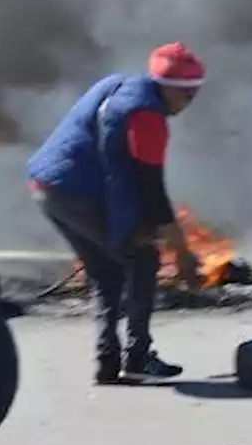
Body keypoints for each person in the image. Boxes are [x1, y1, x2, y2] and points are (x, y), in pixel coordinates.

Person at [27, 42, 206, 385]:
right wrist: (182, 254)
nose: (188, 104)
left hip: (45, 189)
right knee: (143, 260)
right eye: (188, 96)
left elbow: (117, 171)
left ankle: (107, 362)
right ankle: (137, 356)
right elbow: (151, 191)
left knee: (106, 271)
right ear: (168, 88)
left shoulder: (117, 84)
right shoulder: (148, 118)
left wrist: (136, 225)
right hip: (76, 194)